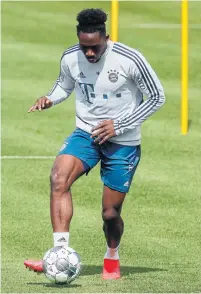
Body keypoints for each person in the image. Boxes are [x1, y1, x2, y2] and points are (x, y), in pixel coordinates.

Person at [24, 8, 165, 280]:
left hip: (122, 142)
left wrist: (119, 124)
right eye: (84, 47)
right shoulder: (70, 57)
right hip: (85, 133)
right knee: (58, 178)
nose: (89, 53)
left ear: (106, 37)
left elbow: (157, 97)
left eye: (95, 47)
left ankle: (112, 256)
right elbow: (64, 85)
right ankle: (60, 255)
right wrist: (50, 98)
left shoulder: (130, 59)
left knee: (110, 213)